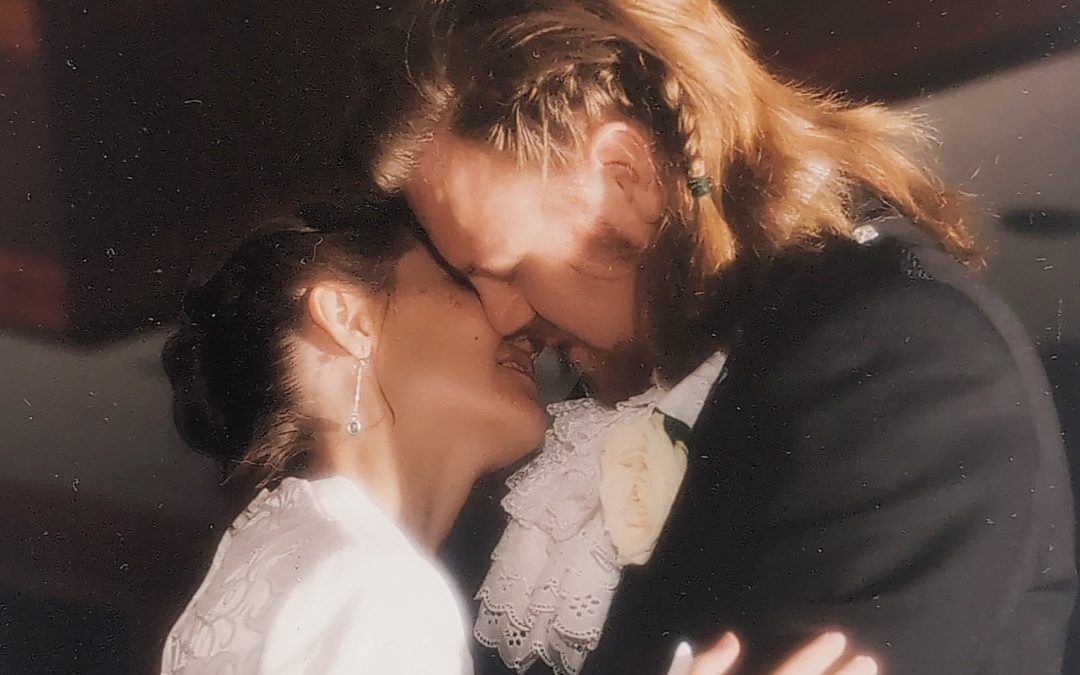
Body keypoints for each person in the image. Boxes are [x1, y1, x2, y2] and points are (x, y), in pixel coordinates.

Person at [349, 0, 1078, 673]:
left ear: (624, 176)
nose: (502, 315)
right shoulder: (569, 435)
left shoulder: (903, 362)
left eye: (505, 267)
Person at [157, 199, 875, 674]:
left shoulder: (294, 558)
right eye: (471, 279)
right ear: (348, 316)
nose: (520, 317)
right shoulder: (366, 582)